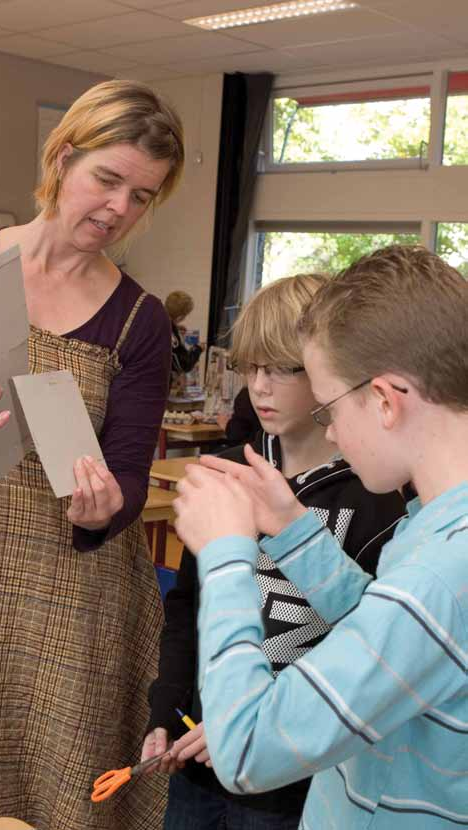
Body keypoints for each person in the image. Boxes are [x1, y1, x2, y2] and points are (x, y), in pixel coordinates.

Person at [0, 79, 184, 830]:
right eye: (107, 179)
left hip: (72, 583)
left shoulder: (139, 321)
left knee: (57, 794)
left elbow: (125, 472)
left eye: (142, 197)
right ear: (62, 159)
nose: (120, 209)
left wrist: (107, 505)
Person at [173, 245, 468, 828]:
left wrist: (226, 556)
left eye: (330, 408)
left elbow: (247, 750)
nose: (329, 427)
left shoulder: (439, 574)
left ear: (383, 401)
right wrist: (292, 531)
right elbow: (386, 634)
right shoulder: (432, 528)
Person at [143, 274, 405, 829]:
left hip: (293, 782)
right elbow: (188, 608)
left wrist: (256, 721)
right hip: (197, 761)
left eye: (283, 369)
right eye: (251, 367)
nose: (259, 387)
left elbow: (362, 652)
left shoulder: (375, 495)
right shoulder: (227, 470)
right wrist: (166, 706)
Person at [164, 290, 204, 382]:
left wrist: (175, 327)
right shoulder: (170, 333)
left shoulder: (160, 322)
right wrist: (198, 349)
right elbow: (184, 365)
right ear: (180, 317)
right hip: (159, 384)